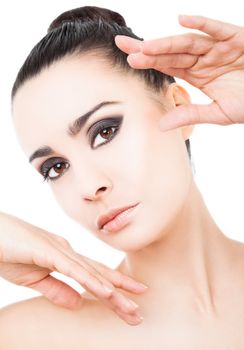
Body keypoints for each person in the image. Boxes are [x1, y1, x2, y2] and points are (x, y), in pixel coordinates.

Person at [0, 5, 244, 348]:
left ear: (177, 106)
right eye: (56, 167)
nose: (88, 187)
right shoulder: (28, 335)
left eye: (104, 132)